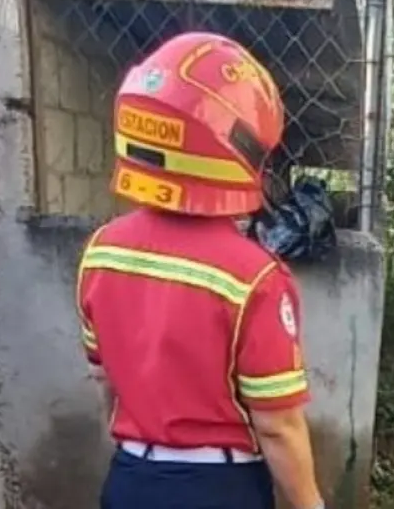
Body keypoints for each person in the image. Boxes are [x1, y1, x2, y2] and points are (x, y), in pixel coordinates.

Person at [76, 31, 326, 509]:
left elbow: (106, 383)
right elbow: (277, 425)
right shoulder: (254, 278)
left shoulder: (100, 253)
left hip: (130, 480)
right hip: (218, 488)